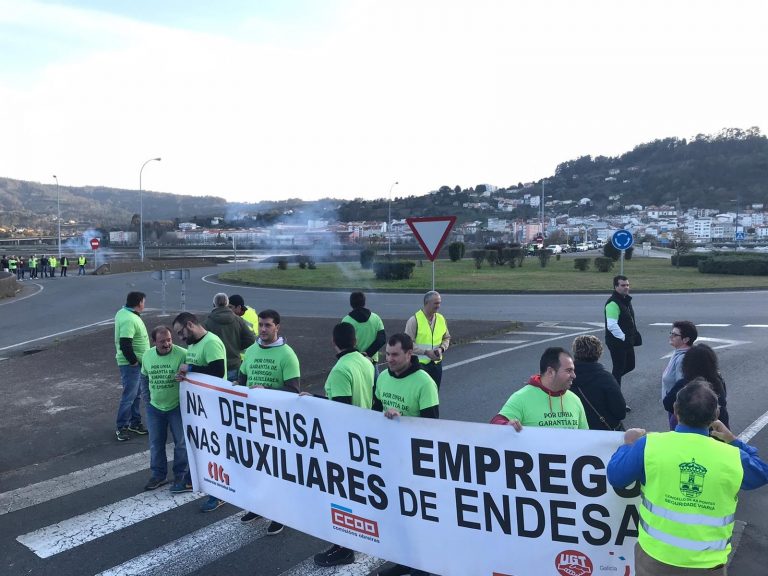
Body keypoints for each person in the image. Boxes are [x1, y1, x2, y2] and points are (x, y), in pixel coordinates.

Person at [607, 379, 768, 575]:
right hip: (708, 564)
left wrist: (629, 444)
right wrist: (733, 440)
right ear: (716, 415)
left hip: (656, 559)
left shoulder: (649, 445)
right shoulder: (732, 456)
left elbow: (616, 476)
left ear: (675, 410)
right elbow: (761, 472)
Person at [373, 333, 438, 576]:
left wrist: (403, 421)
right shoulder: (382, 378)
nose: (389, 359)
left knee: (419, 517)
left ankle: (426, 566)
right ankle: (404, 562)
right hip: (390, 458)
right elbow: (374, 412)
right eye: (387, 354)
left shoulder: (424, 383)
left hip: (416, 462)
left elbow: (432, 428)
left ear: (409, 354)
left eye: (395, 355)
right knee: (397, 515)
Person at [313, 322, 376, 568]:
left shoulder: (340, 370)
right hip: (363, 436)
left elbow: (339, 411)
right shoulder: (365, 361)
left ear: (333, 342)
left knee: (342, 497)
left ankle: (344, 547)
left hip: (345, 441)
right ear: (356, 340)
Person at [238, 309, 300, 533]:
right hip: (252, 420)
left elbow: (293, 390)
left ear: (277, 328)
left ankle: (279, 514)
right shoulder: (252, 350)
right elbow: (242, 379)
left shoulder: (287, 355)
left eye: (268, 325)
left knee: (275, 470)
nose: (263, 329)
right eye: (261, 325)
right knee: (255, 467)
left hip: (276, 423)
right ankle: (257, 507)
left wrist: (267, 391)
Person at [172, 312, 227, 510]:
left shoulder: (211, 342)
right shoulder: (194, 344)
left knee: (213, 452)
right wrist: (184, 376)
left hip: (212, 406)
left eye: (181, 333)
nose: (181, 338)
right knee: (198, 447)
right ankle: (191, 479)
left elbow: (218, 371)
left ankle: (219, 493)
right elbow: (195, 371)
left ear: (190, 325)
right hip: (198, 406)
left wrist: (191, 368)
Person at [490, 347, 588, 430]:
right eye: (569, 371)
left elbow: (586, 438)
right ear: (550, 372)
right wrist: (506, 425)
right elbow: (495, 424)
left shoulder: (575, 400)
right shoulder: (522, 397)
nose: (574, 375)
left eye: (573, 370)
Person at [140, 326, 189, 492]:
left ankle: (180, 475)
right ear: (154, 342)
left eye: (169, 339)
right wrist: (147, 401)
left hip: (177, 406)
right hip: (155, 407)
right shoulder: (147, 355)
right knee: (155, 443)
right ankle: (158, 475)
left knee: (181, 443)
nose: (167, 343)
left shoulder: (183, 354)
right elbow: (144, 377)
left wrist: (185, 375)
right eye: (162, 341)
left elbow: (194, 376)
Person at [663, 343, 729, 429]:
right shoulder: (717, 381)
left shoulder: (683, 384)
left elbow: (667, 403)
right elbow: (722, 403)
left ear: (687, 363)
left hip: (686, 427)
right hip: (715, 428)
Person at [569, 335, 627, 431]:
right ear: (598, 353)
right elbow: (620, 412)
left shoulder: (566, 378)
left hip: (577, 431)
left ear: (575, 352)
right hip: (604, 430)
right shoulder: (606, 378)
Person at [114, 291, 150, 441]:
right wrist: (134, 361)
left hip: (136, 363)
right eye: (144, 301)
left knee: (136, 395)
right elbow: (125, 344)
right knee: (129, 396)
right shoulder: (129, 319)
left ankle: (134, 423)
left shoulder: (124, 313)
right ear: (139, 302)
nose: (144, 304)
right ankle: (121, 427)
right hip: (131, 365)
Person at [405, 290, 450, 389]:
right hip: (419, 365)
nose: (438, 306)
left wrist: (441, 349)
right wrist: (426, 352)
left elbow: (446, 338)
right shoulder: (414, 320)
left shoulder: (441, 318)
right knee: (419, 395)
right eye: (436, 303)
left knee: (433, 394)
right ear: (427, 303)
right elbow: (407, 344)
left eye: (439, 303)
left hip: (436, 365)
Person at [204, 293, 255, 381]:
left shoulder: (208, 322)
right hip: (234, 365)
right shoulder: (238, 320)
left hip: (215, 367)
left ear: (213, 305)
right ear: (227, 304)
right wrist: (236, 345)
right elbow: (251, 339)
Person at [604, 274, 640, 389]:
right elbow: (612, 325)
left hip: (626, 341)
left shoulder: (625, 301)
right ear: (616, 287)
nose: (626, 287)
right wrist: (623, 337)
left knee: (630, 365)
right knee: (618, 369)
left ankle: (610, 381)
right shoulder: (613, 303)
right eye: (623, 285)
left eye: (628, 285)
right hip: (617, 342)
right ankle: (615, 396)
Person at [661, 321, 697, 428]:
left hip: (678, 411)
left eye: (675, 335)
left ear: (686, 339)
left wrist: (677, 413)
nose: (671, 336)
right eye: (671, 333)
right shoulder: (678, 352)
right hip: (673, 407)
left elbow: (682, 388)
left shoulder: (682, 358)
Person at [341, 291, 386, 371]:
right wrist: (368, 353)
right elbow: (381, 339)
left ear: (351, 303)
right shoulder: (375, 318)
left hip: (353, 361)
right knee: (375, 383)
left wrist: (358, 355)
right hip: (371, 360)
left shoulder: (346, 320)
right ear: (364, 302)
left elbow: (344, 343)